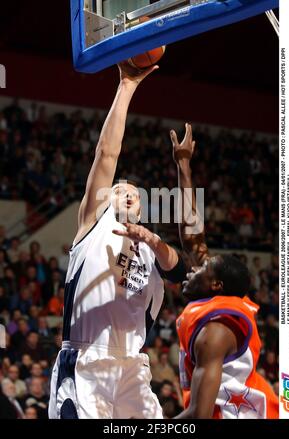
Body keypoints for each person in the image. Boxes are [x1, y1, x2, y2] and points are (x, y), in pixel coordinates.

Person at [48, 63, 186, 419]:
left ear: (141, 207)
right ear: (104, 200)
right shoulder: (94, 223)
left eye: (133, 193)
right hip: (86, 360)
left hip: (132, 369)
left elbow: (181, 269)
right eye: (118, 190)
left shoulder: (152, 247)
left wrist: (155, 241)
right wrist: (126, 86)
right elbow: (106, 156)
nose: (125, 194)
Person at [170, 124, 279, 419]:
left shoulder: (215, 331)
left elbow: (199, 416)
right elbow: (194, 238)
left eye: (202, 268)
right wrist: (183, 165)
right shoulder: (216, 297)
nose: (192, 267)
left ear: (216, 285)